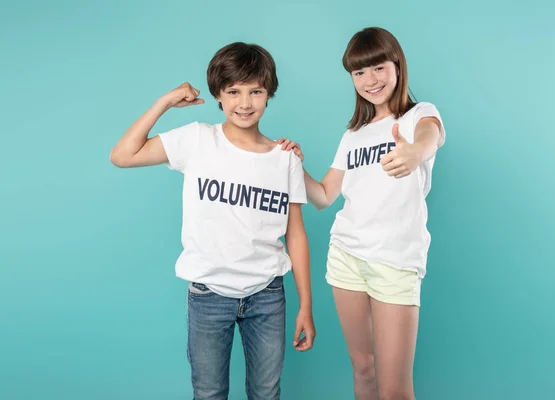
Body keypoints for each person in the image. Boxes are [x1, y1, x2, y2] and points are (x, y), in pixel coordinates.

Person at [110, 42, 315, 400]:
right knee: (209, 393)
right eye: (233, 92)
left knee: (267, 393)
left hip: (267, 296)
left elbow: (296, 233)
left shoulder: (285, 158)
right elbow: (122, 155)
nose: (245, 103)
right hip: (208, 294)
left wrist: (306, 306)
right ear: (218, 95)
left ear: (269, 94)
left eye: (256, 91)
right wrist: (165, 102)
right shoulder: (197, 139)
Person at [279, 27, 445, 400]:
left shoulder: (418, 115)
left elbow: (430, 136)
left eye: (378, 68)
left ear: (397, 67)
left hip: (395, 261)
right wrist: (292, 163)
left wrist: (415, 153)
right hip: (346, 257)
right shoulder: (353, 134)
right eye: (359, 73)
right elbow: (323, 196)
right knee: (364, 370)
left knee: (395, 390)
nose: (370, 80)